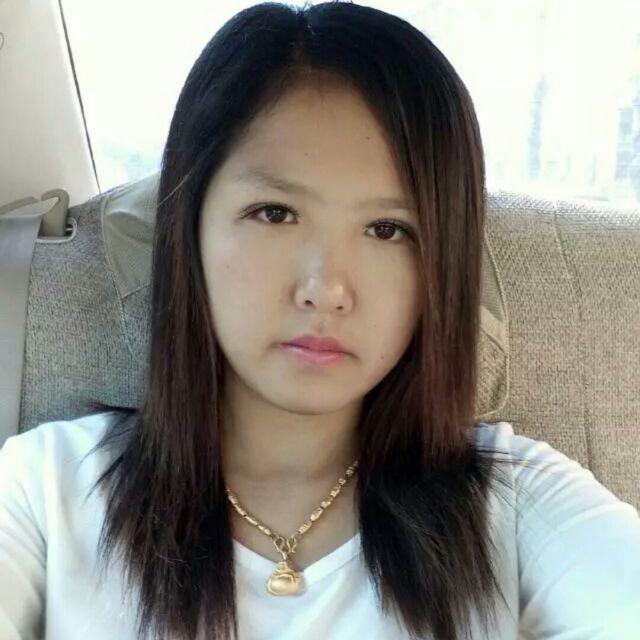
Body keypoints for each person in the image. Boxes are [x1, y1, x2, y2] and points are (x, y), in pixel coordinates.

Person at [2, 2, 640, 639]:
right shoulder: (44, 492)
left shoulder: (518, 504)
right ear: (189, 230)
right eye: (275, 213)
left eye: (387, 229)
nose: (326, 290)